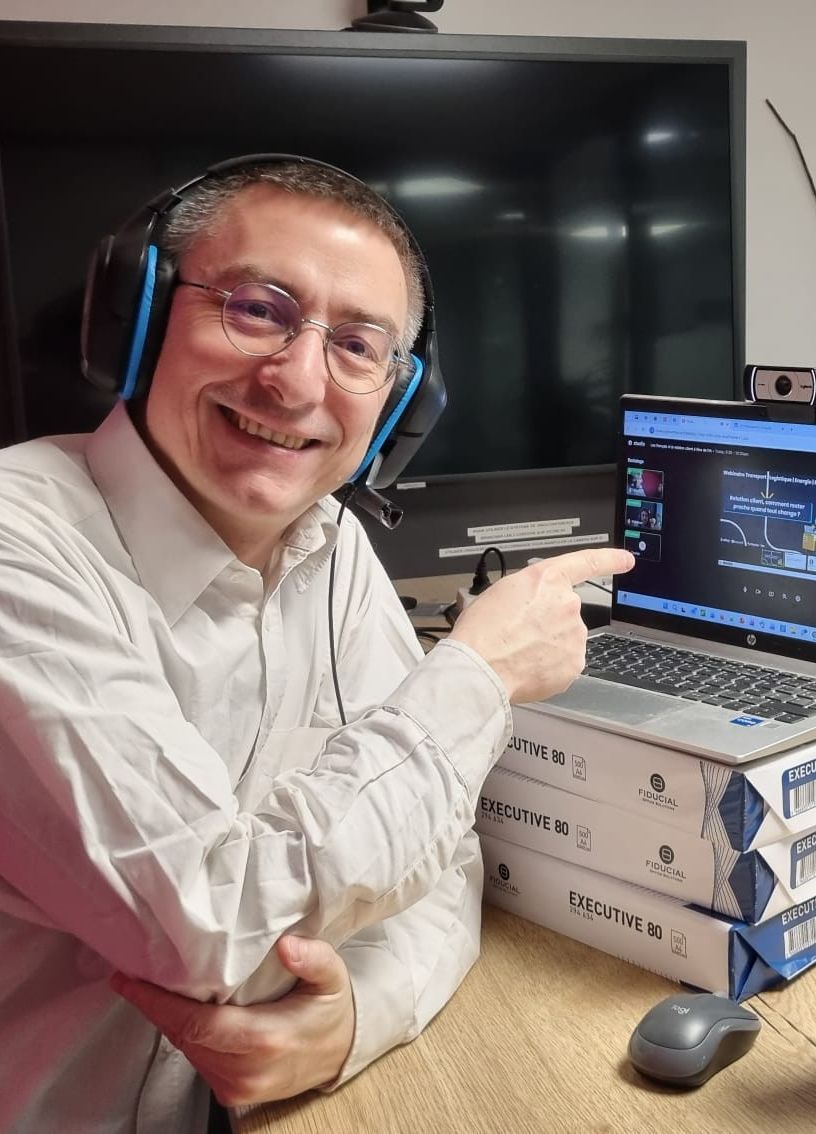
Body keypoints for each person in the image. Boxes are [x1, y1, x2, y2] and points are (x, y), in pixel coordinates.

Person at [0, 157, 634, 1132]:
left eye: (356, 346)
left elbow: (441, 855)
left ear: (400, 406)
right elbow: (211, 925)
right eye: (257, 310)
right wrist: (476, 674)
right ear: (140, 315)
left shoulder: (331, 545)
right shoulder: (20, 545)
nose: (297, 382)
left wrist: (355, 1018)